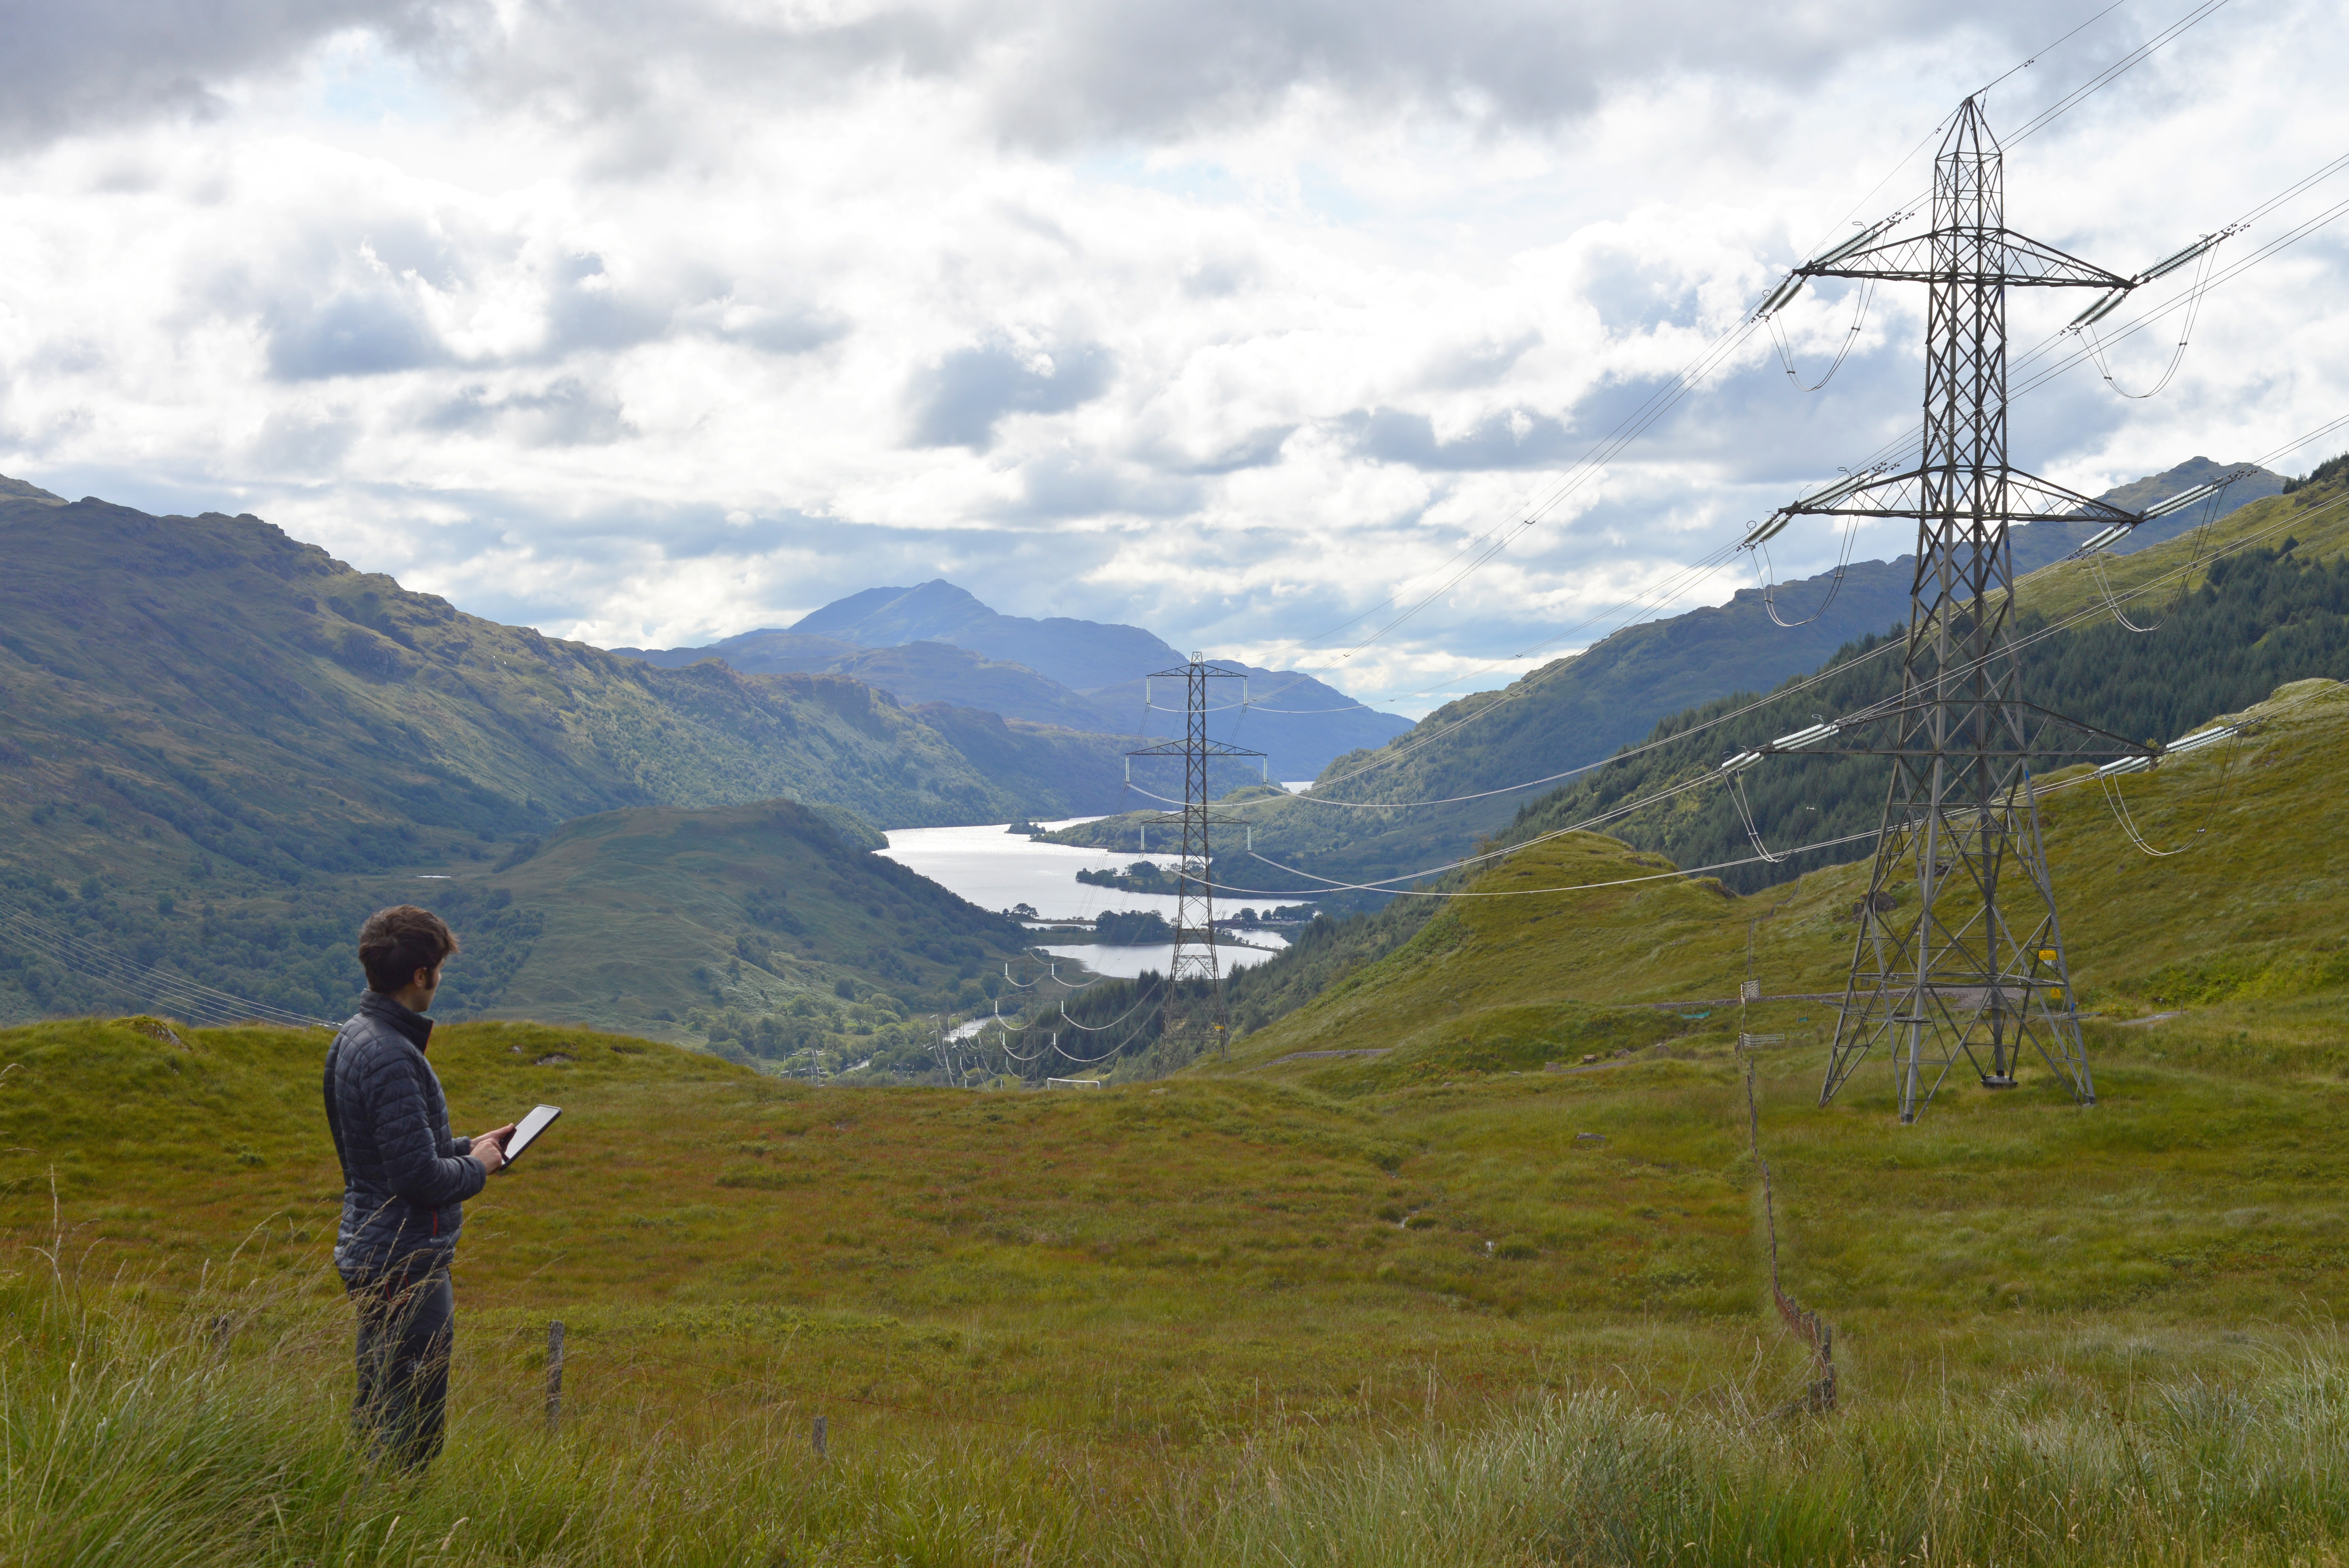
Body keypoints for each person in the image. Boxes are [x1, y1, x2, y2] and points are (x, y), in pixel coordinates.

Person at [322, 905, 515, 1472]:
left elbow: (389, 1158)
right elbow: (417, 1179)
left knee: (379, 1405)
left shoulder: (358, 1036)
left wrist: (467, 1147)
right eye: (439, 969)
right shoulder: (391, 1055)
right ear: (421, 975)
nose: (440, 979)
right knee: (413, 1427)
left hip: (375, 1248)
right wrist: (477, 1169)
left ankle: (363, 1518)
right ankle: (399, 1528)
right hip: (406, 1261)